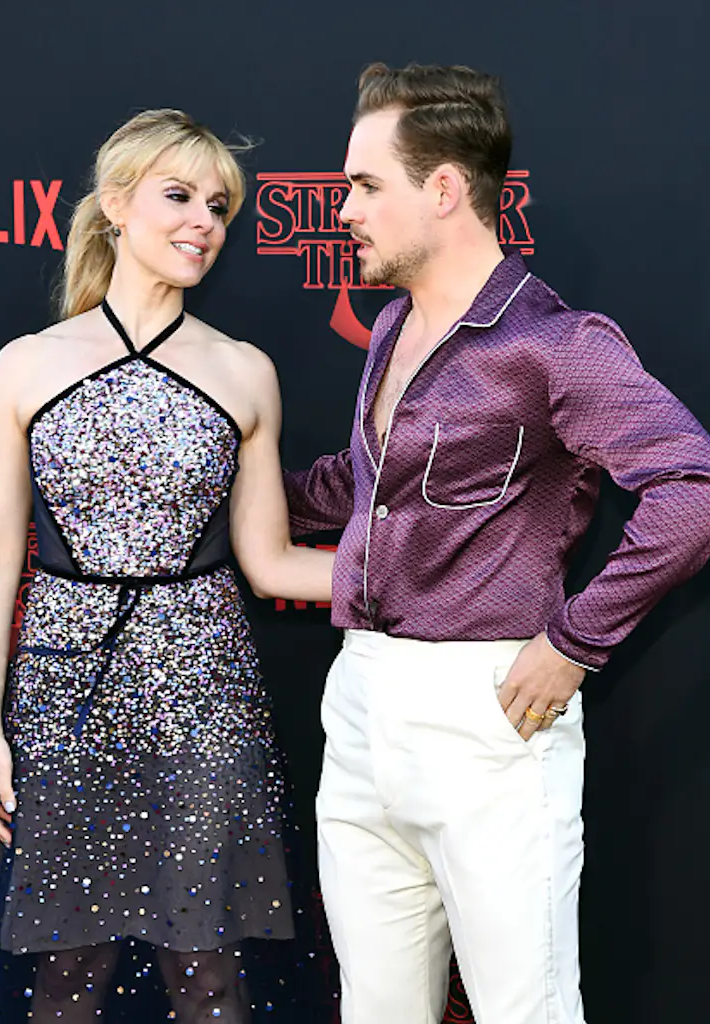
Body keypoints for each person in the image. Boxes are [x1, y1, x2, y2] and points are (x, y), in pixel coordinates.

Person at [284, 63, 710, 1024]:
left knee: (525, 1010)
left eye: (363, 186)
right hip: (359, 709)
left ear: (443, 189)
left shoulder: (555, 343)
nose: (341, 209)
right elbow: (359, 488)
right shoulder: (394, 325)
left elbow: (693, 488)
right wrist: (212, 481)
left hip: (488, 718)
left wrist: (573, 642)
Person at [0, 108, 333, 1023]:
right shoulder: (27, 365)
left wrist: (420, 566)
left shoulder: (244, 371)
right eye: (180, 195)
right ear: (116, 205)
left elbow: (270, 564)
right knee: (65, 972)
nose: (205, 220)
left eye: (220, 206)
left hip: (203, 693)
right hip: (64, 695)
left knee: (209, 976)